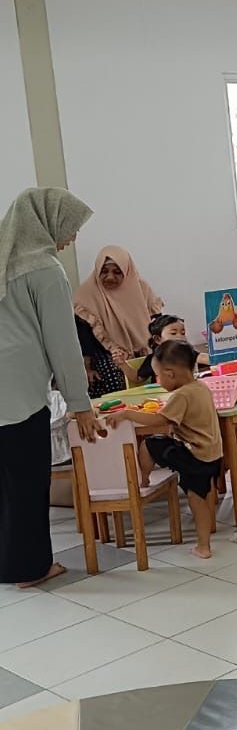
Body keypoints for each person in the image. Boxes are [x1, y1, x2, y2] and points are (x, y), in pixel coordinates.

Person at [0, 188, 99, 587]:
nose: (72, 237)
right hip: (20, 390)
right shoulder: (45, 269)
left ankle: (8, 563)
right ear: (45, 222)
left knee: (4, 482)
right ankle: (31, 567)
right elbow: (62, 342)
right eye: (70, 227)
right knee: (27, 480)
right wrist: (81, 404)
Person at [107, 340, 222, 559]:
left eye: (159, 376)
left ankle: (144, 479)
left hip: (195, 455)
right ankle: (204, 544)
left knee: (151, 444)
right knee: (201, 496)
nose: (158, 381)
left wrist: (128, 413)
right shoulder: (200, 387)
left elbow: (158, 419)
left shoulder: (182, 395)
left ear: (170, 374)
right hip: (212, 454)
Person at [73, 245, 164, 396]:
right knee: (112, 376)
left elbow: (158, 323)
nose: (110, 277)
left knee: (158, 367)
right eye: (104, 271)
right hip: (104, 353)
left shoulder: (141, 288)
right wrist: (86, 367)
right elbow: (83, 337)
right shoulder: (85, 295)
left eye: (117, 272)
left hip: (144, 348)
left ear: (126, 271)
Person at [136, 313, 206, 383]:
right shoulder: (154, 358)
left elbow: (204, 358)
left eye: (183, 333)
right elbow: (138, 379)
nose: (180, 337)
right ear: (158, 339)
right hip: (163, 392)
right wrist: (124, 364)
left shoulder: (187, 353)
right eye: (173, 333)